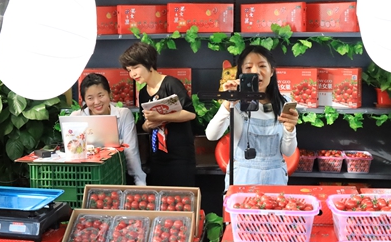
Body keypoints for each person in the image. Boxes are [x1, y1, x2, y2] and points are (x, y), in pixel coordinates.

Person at [205, 45, 299, 188]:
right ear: (241, 72)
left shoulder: (283, 103)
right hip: (242, 178)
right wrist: (227, 103)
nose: (255, 72)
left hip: (275, 179)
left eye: (262, 66)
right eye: (248, 68)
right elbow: (211, 135)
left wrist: (290, 129)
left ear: (272, 71)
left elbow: (288, 151)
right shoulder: (235, 103)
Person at [119, 42, 197, 186]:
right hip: (157, 157)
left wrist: (161, 118)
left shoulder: (171, 84)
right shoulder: (143, 93)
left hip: (180, 156)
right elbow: (145, 126)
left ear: (149, 63)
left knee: (182, 200)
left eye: (136, 67)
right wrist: (149, 124)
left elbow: (190, 114)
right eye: (129, 70)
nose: (132, 74)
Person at [71, 73, 147, 185]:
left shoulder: (124, 115)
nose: (97, 102)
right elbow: (73, 151)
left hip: (115, 175)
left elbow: (131, 150)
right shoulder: (76, 117)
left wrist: (140, 181)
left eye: (101, 95)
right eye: (90, 98)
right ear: (84, 100)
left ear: (109, 94)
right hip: (85, 177)